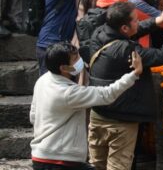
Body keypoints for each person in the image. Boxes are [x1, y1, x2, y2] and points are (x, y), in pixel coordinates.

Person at [87, 1, 163, 170]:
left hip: (98, 113)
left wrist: (158, 20)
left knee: (97, 165)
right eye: (136, 20)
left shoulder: (100, 32)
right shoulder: (126, 50)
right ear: (124, 27)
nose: (139, 22)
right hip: (120, 120)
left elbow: (132, 31)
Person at [30, 41, 142, 170]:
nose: (80, 60)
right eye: (75, 59)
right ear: (64, 68)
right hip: (60, 160)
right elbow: (106, 94)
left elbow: (33, 116)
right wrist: (134, 74)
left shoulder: (43, 80)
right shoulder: (68, 93)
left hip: (43, 155)